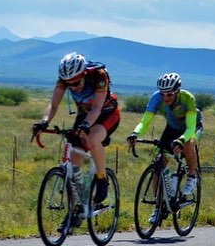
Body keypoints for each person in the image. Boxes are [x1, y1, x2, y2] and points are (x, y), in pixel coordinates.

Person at [32, 52, 120, 208]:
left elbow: (97, 108)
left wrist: (85, 125)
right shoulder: (64, 80)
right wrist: (44, 122)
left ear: (84, 73)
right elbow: (53, 105)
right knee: (74, 156)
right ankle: (77, 207)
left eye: (76, 82)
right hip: (85, 114)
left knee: (92, 139)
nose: (73, 87)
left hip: (106, 113)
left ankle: (102, 179)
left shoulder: (99, 75)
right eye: (69, 84)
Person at [127, 72, 203, 223]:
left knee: (188, 144)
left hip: (191, 128)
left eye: (169, 94)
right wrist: (135, 133)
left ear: (177, 92)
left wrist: (181, 141)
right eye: (163, 94)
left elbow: (190, 128)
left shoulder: (187, 98)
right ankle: (159, 207)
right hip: (172, 128)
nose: (166, 98)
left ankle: (192, 175)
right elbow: (145, 121)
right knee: (159, 166)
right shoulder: (156, 98)